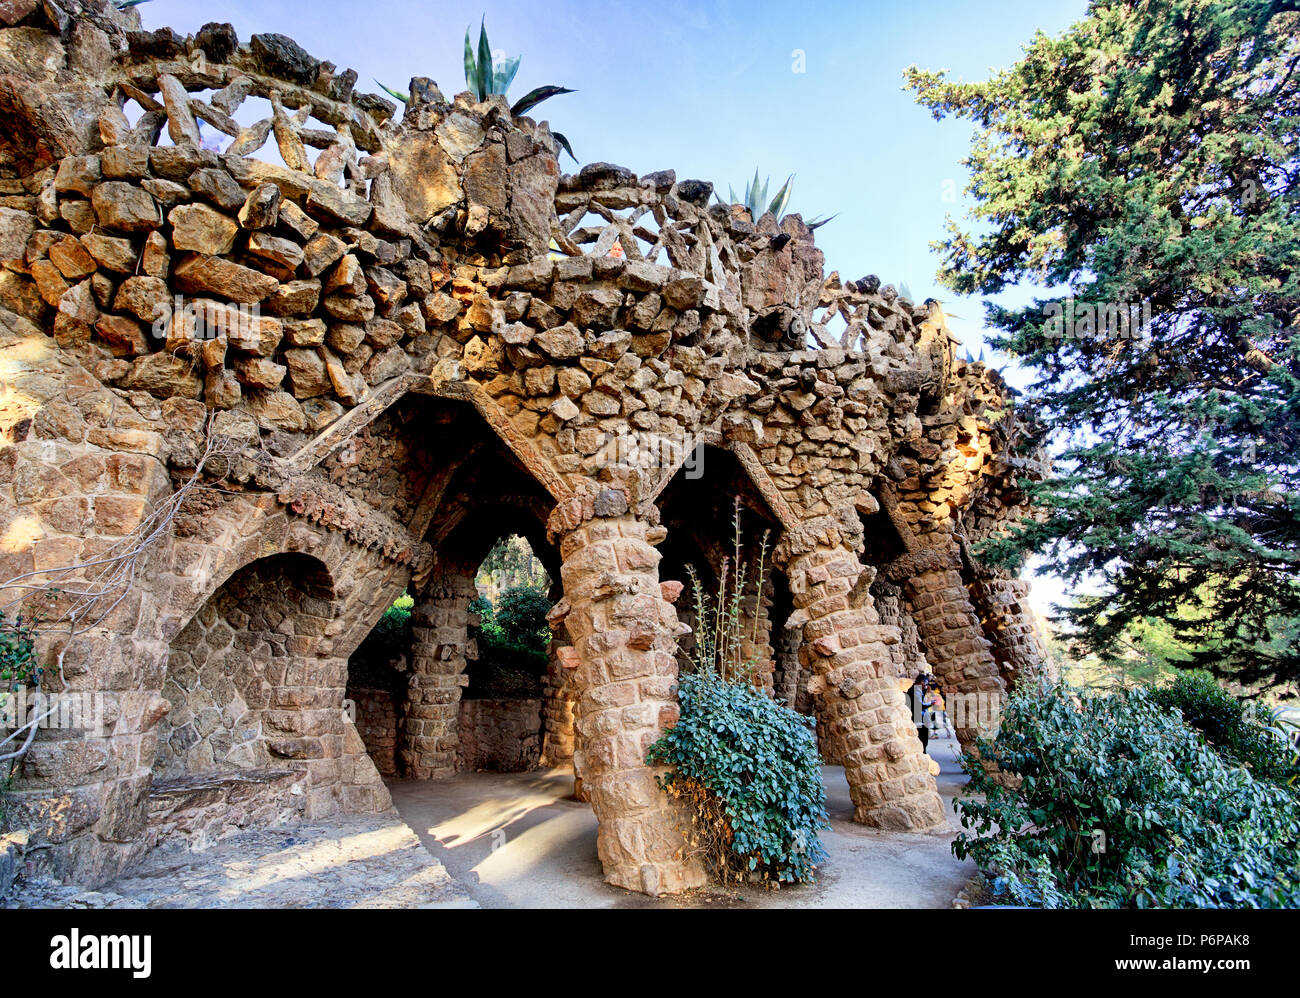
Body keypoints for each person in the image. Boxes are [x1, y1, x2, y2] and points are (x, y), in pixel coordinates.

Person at [905, 672, 930, 752]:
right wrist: (931, 703)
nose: (926, 686)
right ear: (922, 682)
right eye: (925, 684)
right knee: (923, 739)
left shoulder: (915, 689)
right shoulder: (916, 690)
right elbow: (920, 706)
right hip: (918, 718)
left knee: (921, 739)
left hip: (916, 717)